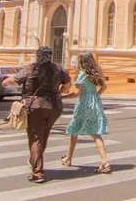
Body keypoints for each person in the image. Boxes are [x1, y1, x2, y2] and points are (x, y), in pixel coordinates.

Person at [6, 46, 71, 183]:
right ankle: (34, 160)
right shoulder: (59, 69)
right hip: (54, 107)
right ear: (50, 56)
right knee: (43, 135)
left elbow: (13, 80)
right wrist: (58, 92)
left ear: (38, 56)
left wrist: (6, 80)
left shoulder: (31, 68)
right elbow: (68, 85)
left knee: (36, 138)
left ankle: (37, 173)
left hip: (35, 107)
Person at [60, 52, 110, 173]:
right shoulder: (95, 74)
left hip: (83, 104)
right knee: (95, 132)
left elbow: (77, 93)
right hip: (95, 103)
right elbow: (104, 86)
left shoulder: (81, 74)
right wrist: (96, 96)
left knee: (74, 130)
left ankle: (69, 159)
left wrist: (62, 97)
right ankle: (104, 161)